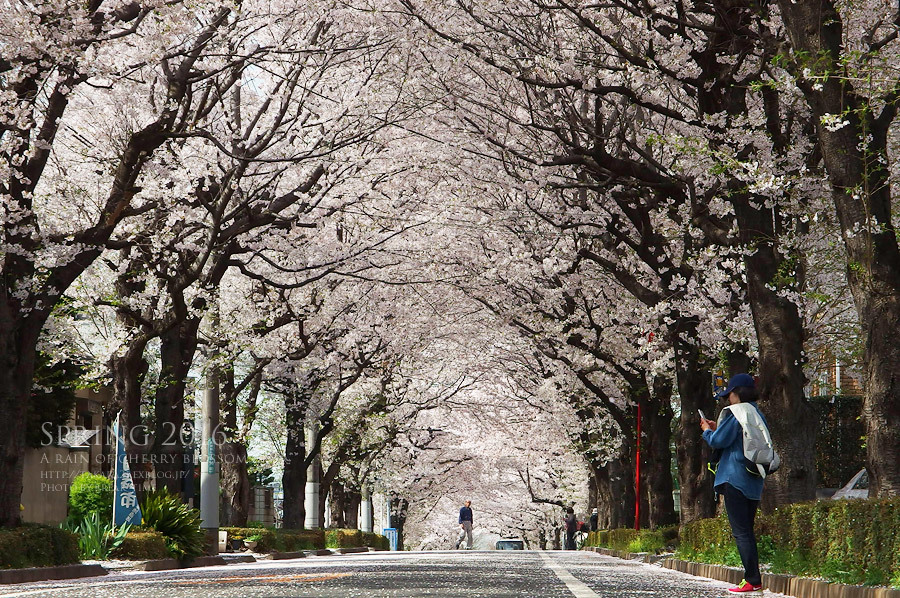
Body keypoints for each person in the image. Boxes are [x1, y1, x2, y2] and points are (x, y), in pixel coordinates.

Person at [700, 373, 768, 594]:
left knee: (741, 532)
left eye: (729, 393)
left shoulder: (736, 412)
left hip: (734, 478)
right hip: (754, 479)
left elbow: (718, 441)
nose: (728, 398)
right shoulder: (756, 413)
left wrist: (708, 432)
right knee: (747, 530)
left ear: (736, 393)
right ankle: (753, 577)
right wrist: (717, 428)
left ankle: (752, 579)